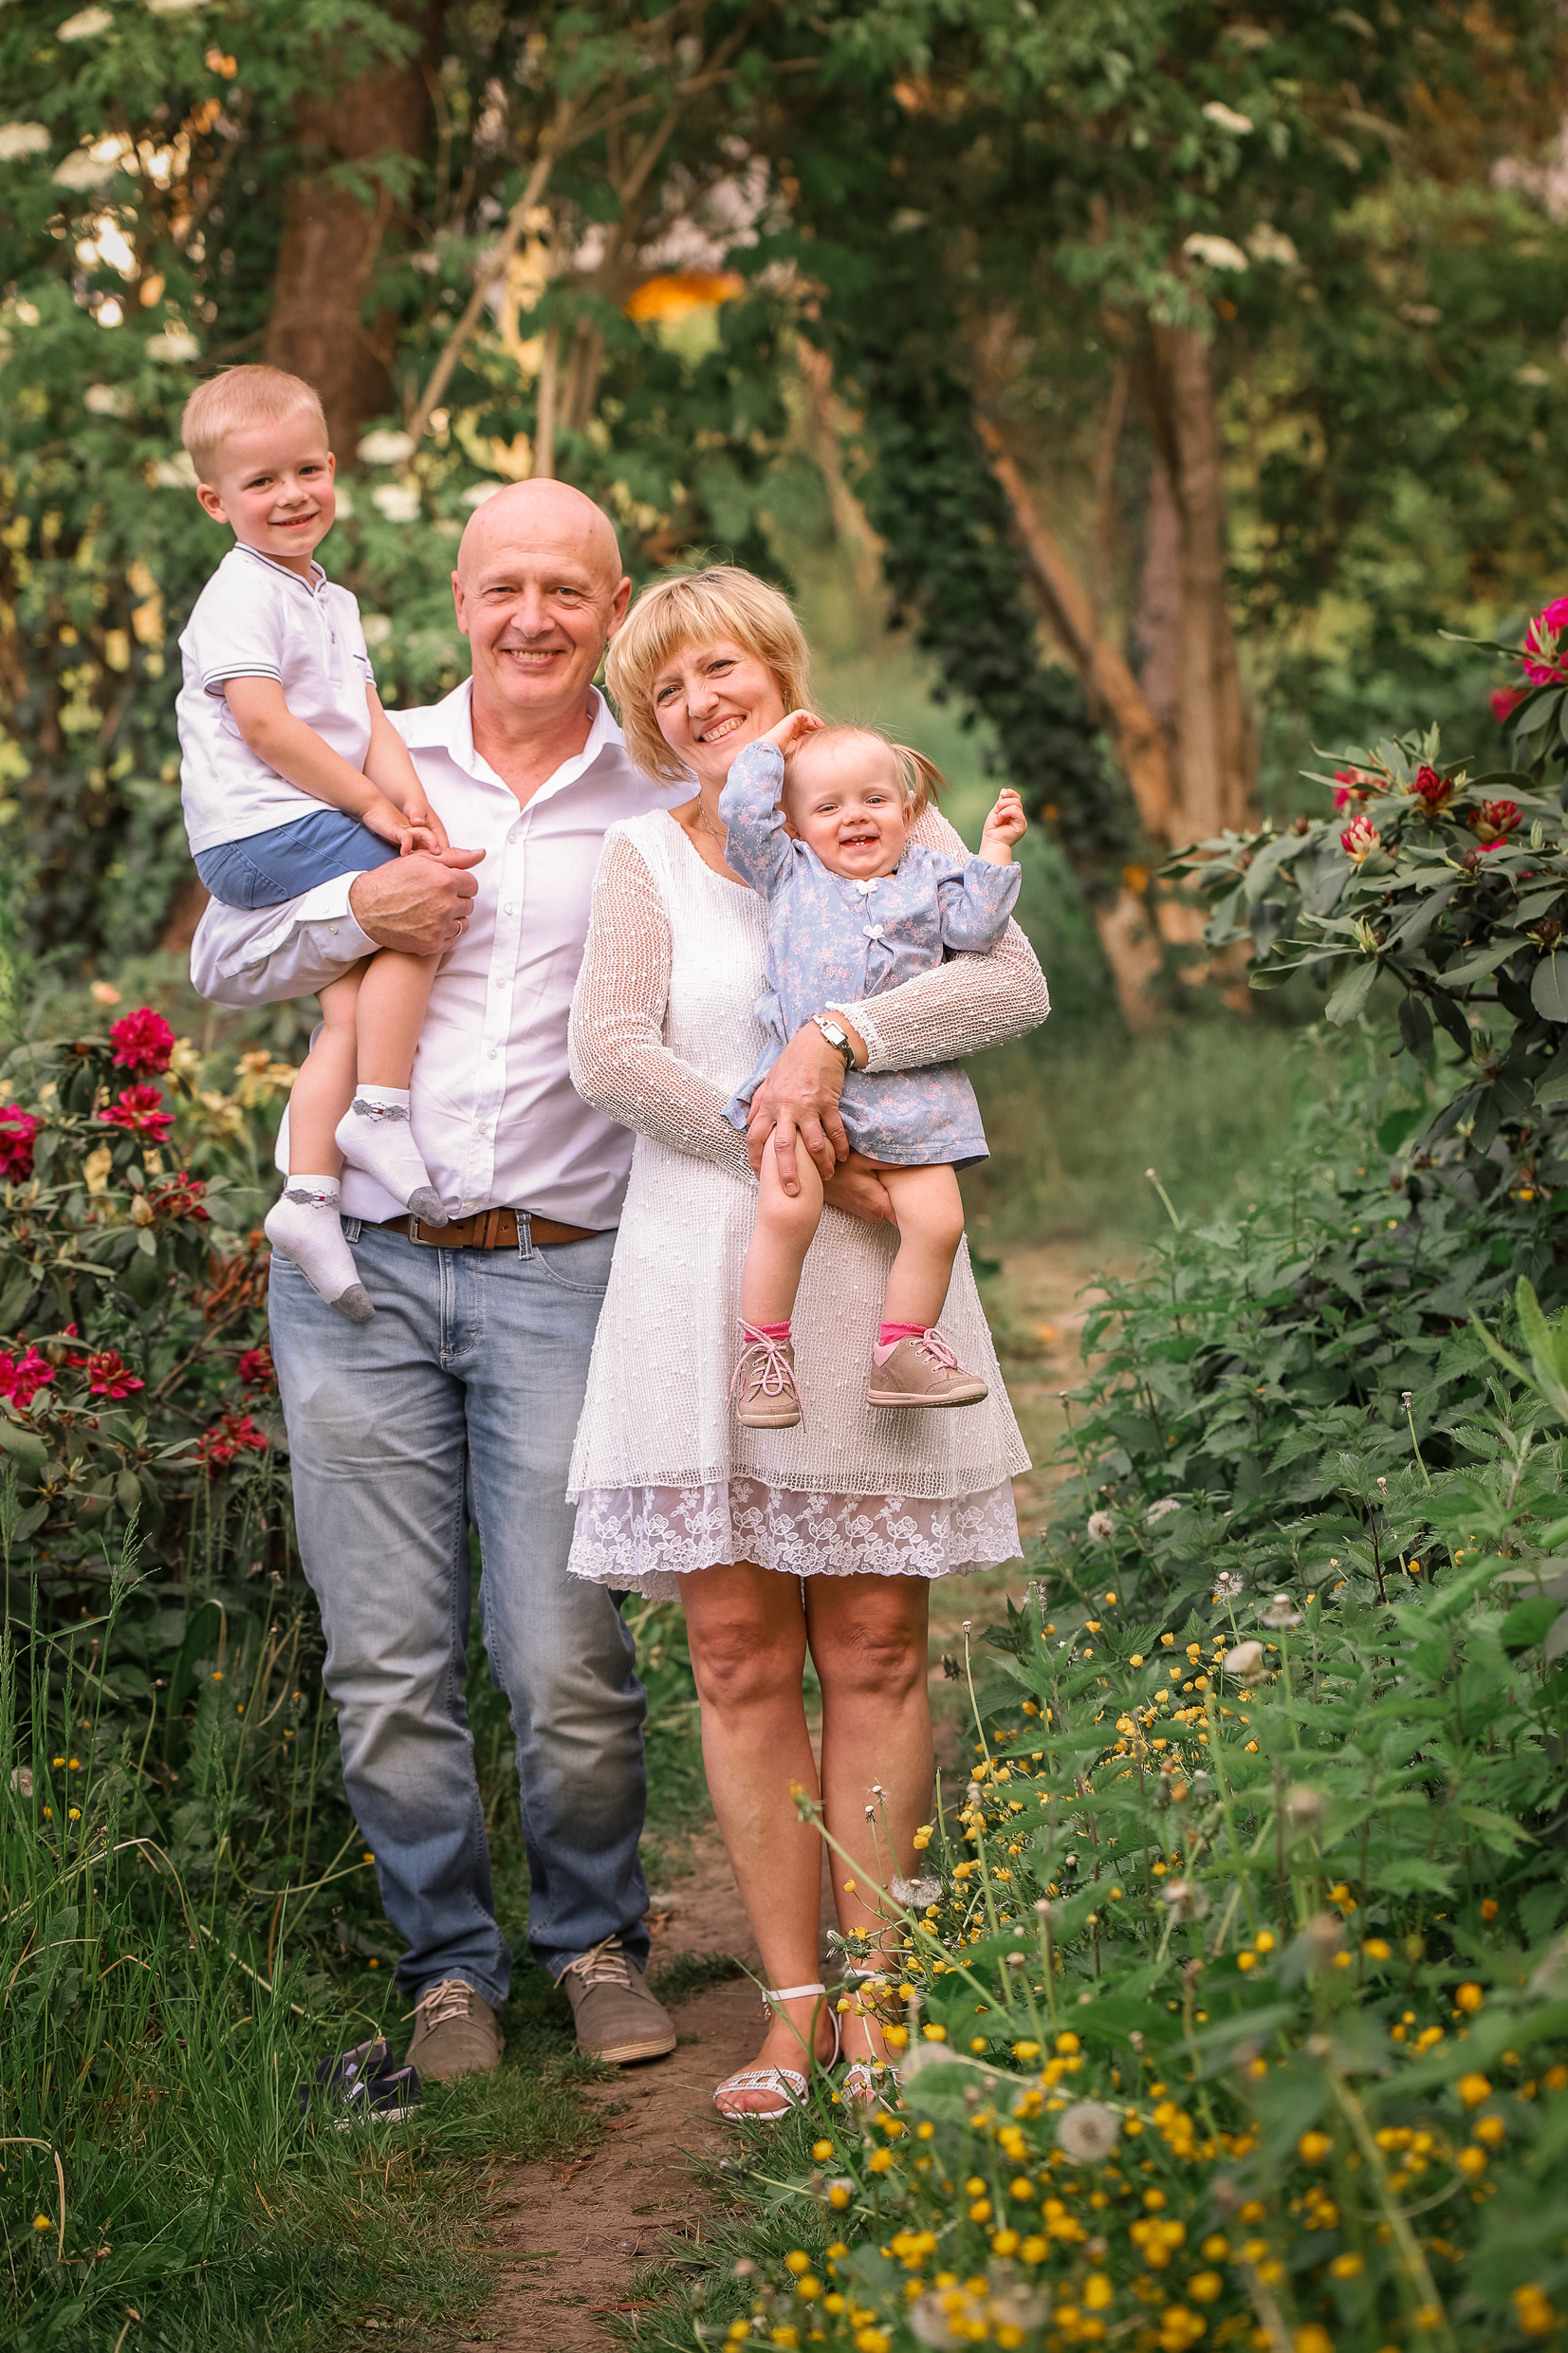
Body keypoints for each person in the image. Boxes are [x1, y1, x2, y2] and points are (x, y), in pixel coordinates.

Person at [189, 478, 691, 2083]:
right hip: (360, 1277)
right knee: (388, 1660)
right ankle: (445, 1975)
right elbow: (218, 958)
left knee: (564, 1653)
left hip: (563, 1269)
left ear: (611, 607)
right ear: (458, 600)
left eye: (566, 589)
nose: (532, 617)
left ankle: (598, 1941)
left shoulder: (666, 795)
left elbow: (827, 872)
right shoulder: (373, 759)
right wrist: (358, 903)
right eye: (503, 587)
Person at [566, 565, 1046, 2119]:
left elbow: (1009, 979)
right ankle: (785, 2015)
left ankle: (879, 2008)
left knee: (877, 1645)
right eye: (665, 692)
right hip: (708, 1266)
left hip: (868, 1278)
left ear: (785, 672)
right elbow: (610, 1053)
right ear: (648, 724)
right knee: (733, 1652)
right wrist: (773, 1131)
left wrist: (836, 1040)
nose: (699, 704)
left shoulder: (870, 812)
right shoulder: (645, 857)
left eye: (721, 670)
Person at [175, 364, 457, 1319]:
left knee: (350, 1009)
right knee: (423, 910)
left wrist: (411, 805)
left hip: (302, 822)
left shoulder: (327, 600)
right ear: (216, 501)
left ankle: (308, 1197)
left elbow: (366, 717)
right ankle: (379, 1112)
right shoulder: (240, 594)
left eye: (306, 469)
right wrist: (380, 822)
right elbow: (268, 726)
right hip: (262, 827)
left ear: (333, 465)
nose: (290, 495)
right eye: (260, 483)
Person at [718, 713, 1028, 1426]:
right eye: (827, 807)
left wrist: (995, 847)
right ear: (793, 825)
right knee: (784, 1209)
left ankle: (903, 1348)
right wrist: (771, 746)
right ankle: (764, 1356)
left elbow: (979, 932)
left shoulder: (928, 875)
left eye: (873, 801)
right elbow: (740, 811)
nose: (853, 817)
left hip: (914, 1095)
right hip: (802, 1098)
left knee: (938, 1223)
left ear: (907, 811)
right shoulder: (786, 872)